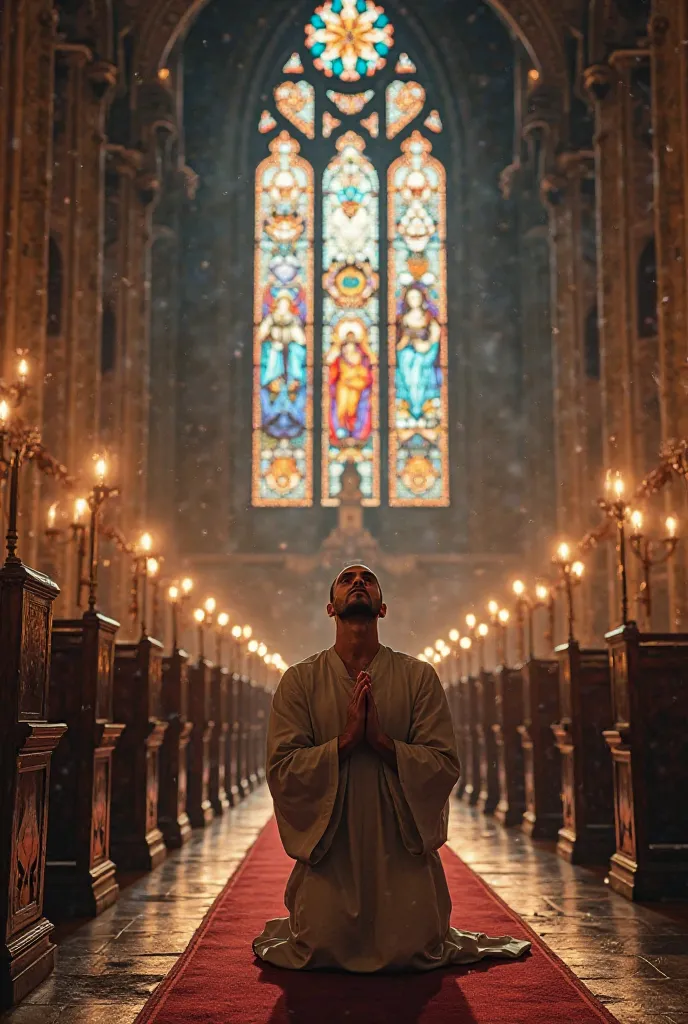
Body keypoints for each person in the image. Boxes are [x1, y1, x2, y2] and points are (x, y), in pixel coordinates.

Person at [252, 565, 531, 973]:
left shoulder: (418, 678)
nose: (359, 583)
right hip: (333, 853)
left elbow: (443, 763)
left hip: (399, 852)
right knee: (322, 944)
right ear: (331, 607)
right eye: (347, 580)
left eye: (367, 579)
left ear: (383, 608)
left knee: (411, 947)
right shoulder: (299, 681)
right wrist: (344, 743)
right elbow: (281, 769)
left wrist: (383, 744)